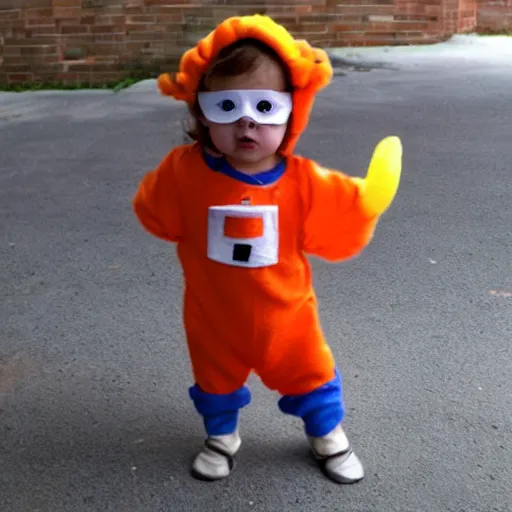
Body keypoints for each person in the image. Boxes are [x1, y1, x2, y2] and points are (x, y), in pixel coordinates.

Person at [132, 14, 402, 483]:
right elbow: (156, 210)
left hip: (287, 314)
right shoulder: (185, 173)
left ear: (293, 110)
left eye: (264, 107)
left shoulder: (304, 182)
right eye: (226, 107)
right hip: (214, 314)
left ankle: (327, 433)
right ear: (201, 112)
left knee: (311, 370)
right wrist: (162, 190)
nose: (246, 124)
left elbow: (339, 213)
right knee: (214, 379)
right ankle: (222, 436)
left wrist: (367, 199)